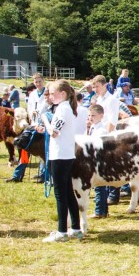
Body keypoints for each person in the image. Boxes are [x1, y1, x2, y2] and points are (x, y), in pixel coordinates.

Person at [42, 80, 83, 243]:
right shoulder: (65, 108)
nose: (50, 96)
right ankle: (75, 228)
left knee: (60, 194)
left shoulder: (62, 109)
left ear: (63, 93)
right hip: (65, 154)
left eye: (53, 93)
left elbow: (54, 132)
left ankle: (62, 231)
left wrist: (45, 120)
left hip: (60, 156)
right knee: (68, 192)